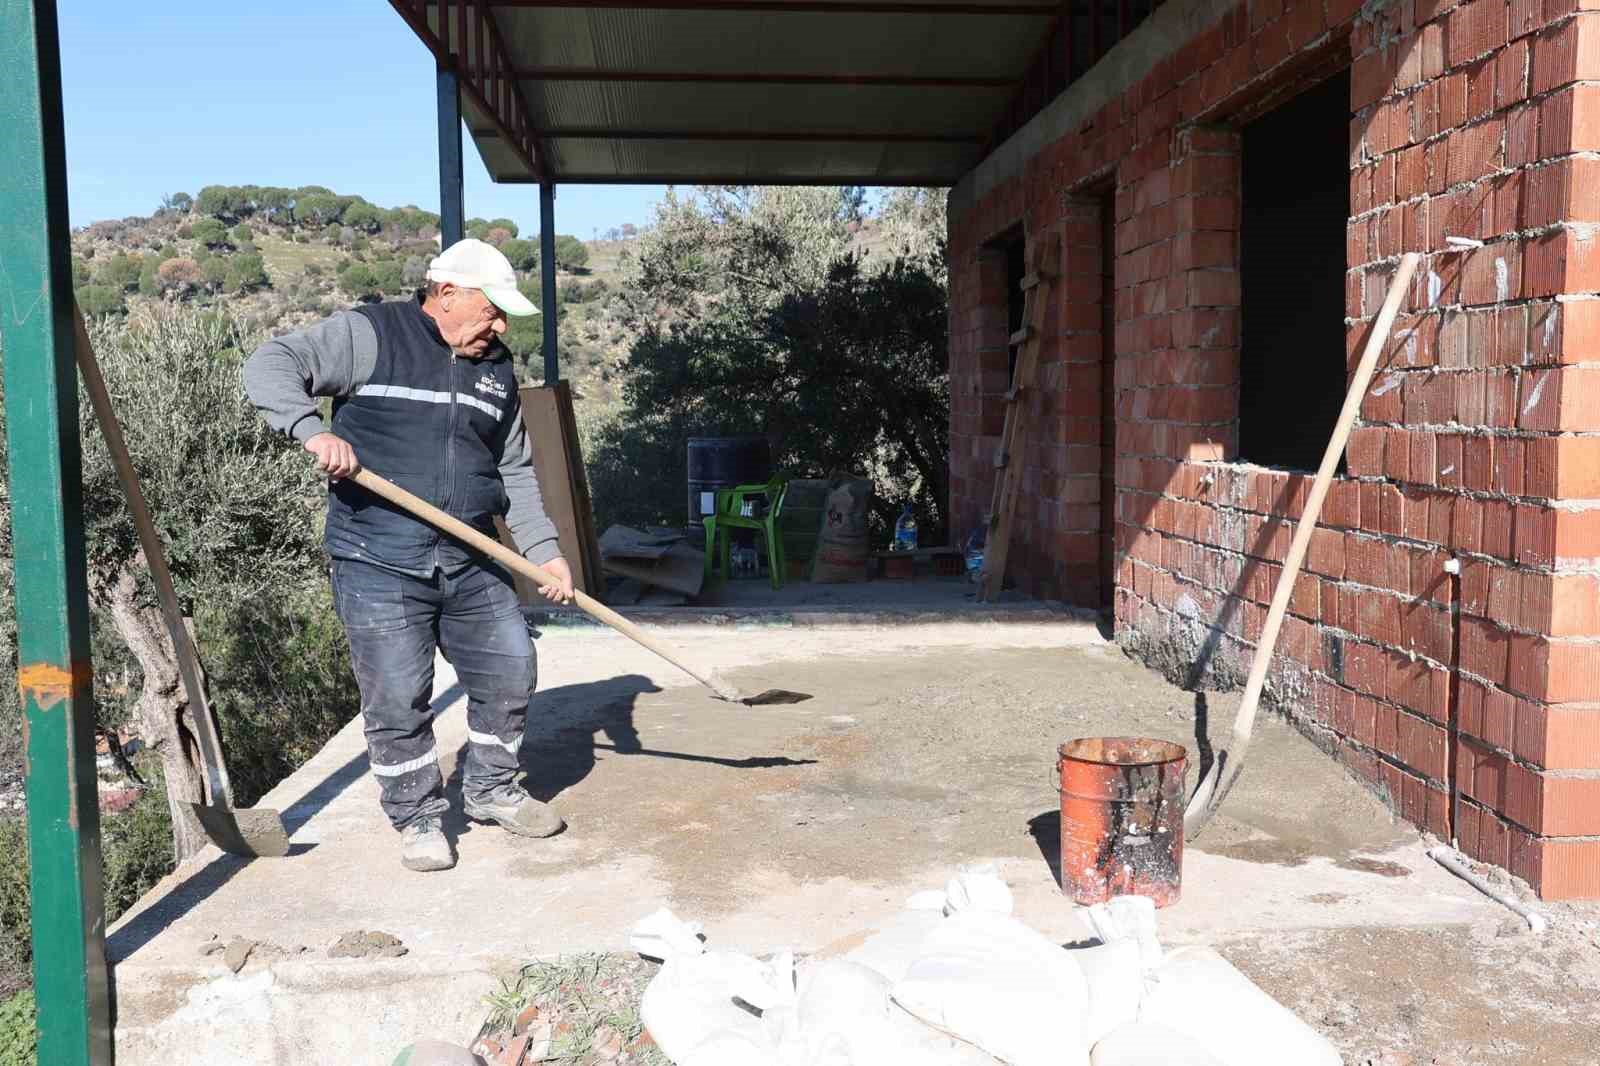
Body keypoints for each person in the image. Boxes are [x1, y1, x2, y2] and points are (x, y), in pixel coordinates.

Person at [244, 238, 574, 872]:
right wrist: (313, 430)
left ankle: (490, 788)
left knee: (511, 666)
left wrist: (544, 551)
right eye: (491, 310)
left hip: (471, 553)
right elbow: (271, 364)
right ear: (446, 293)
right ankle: (418, 816)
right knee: (398, 694)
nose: (499, 326)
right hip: (378, 555)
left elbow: (517, 471)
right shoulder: (371, 334)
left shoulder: (496, 370)